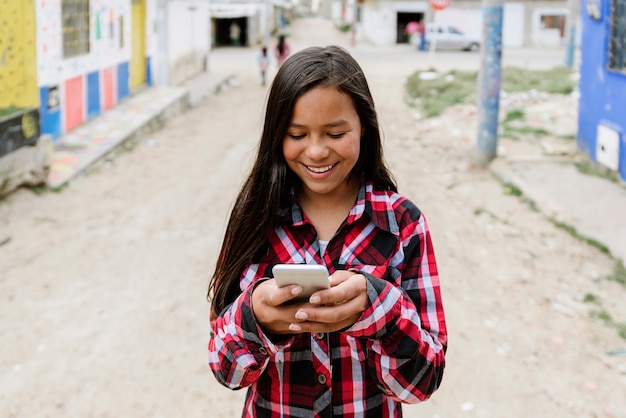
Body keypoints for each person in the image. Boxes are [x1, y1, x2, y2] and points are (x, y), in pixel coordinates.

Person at [207, 45, 447, 417]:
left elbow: (423, 383)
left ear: (364, 125)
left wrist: (380, 308)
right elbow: (226, 370)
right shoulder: (256, 220)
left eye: (335, 133)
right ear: (275, 135)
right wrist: (256, 316)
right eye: (297, 134)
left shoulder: (403, 224)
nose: (316, 151)